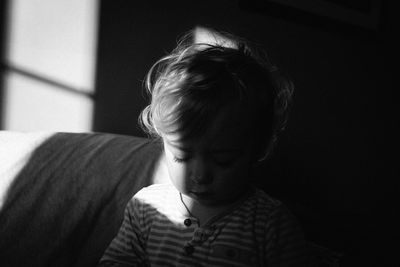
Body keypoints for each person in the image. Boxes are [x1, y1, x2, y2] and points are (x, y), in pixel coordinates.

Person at [98, 28, 308, 266]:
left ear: (258, 149)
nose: (200, 175)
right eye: (182, 156)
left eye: (223, 160)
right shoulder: (146, 208)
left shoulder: (271, 224)